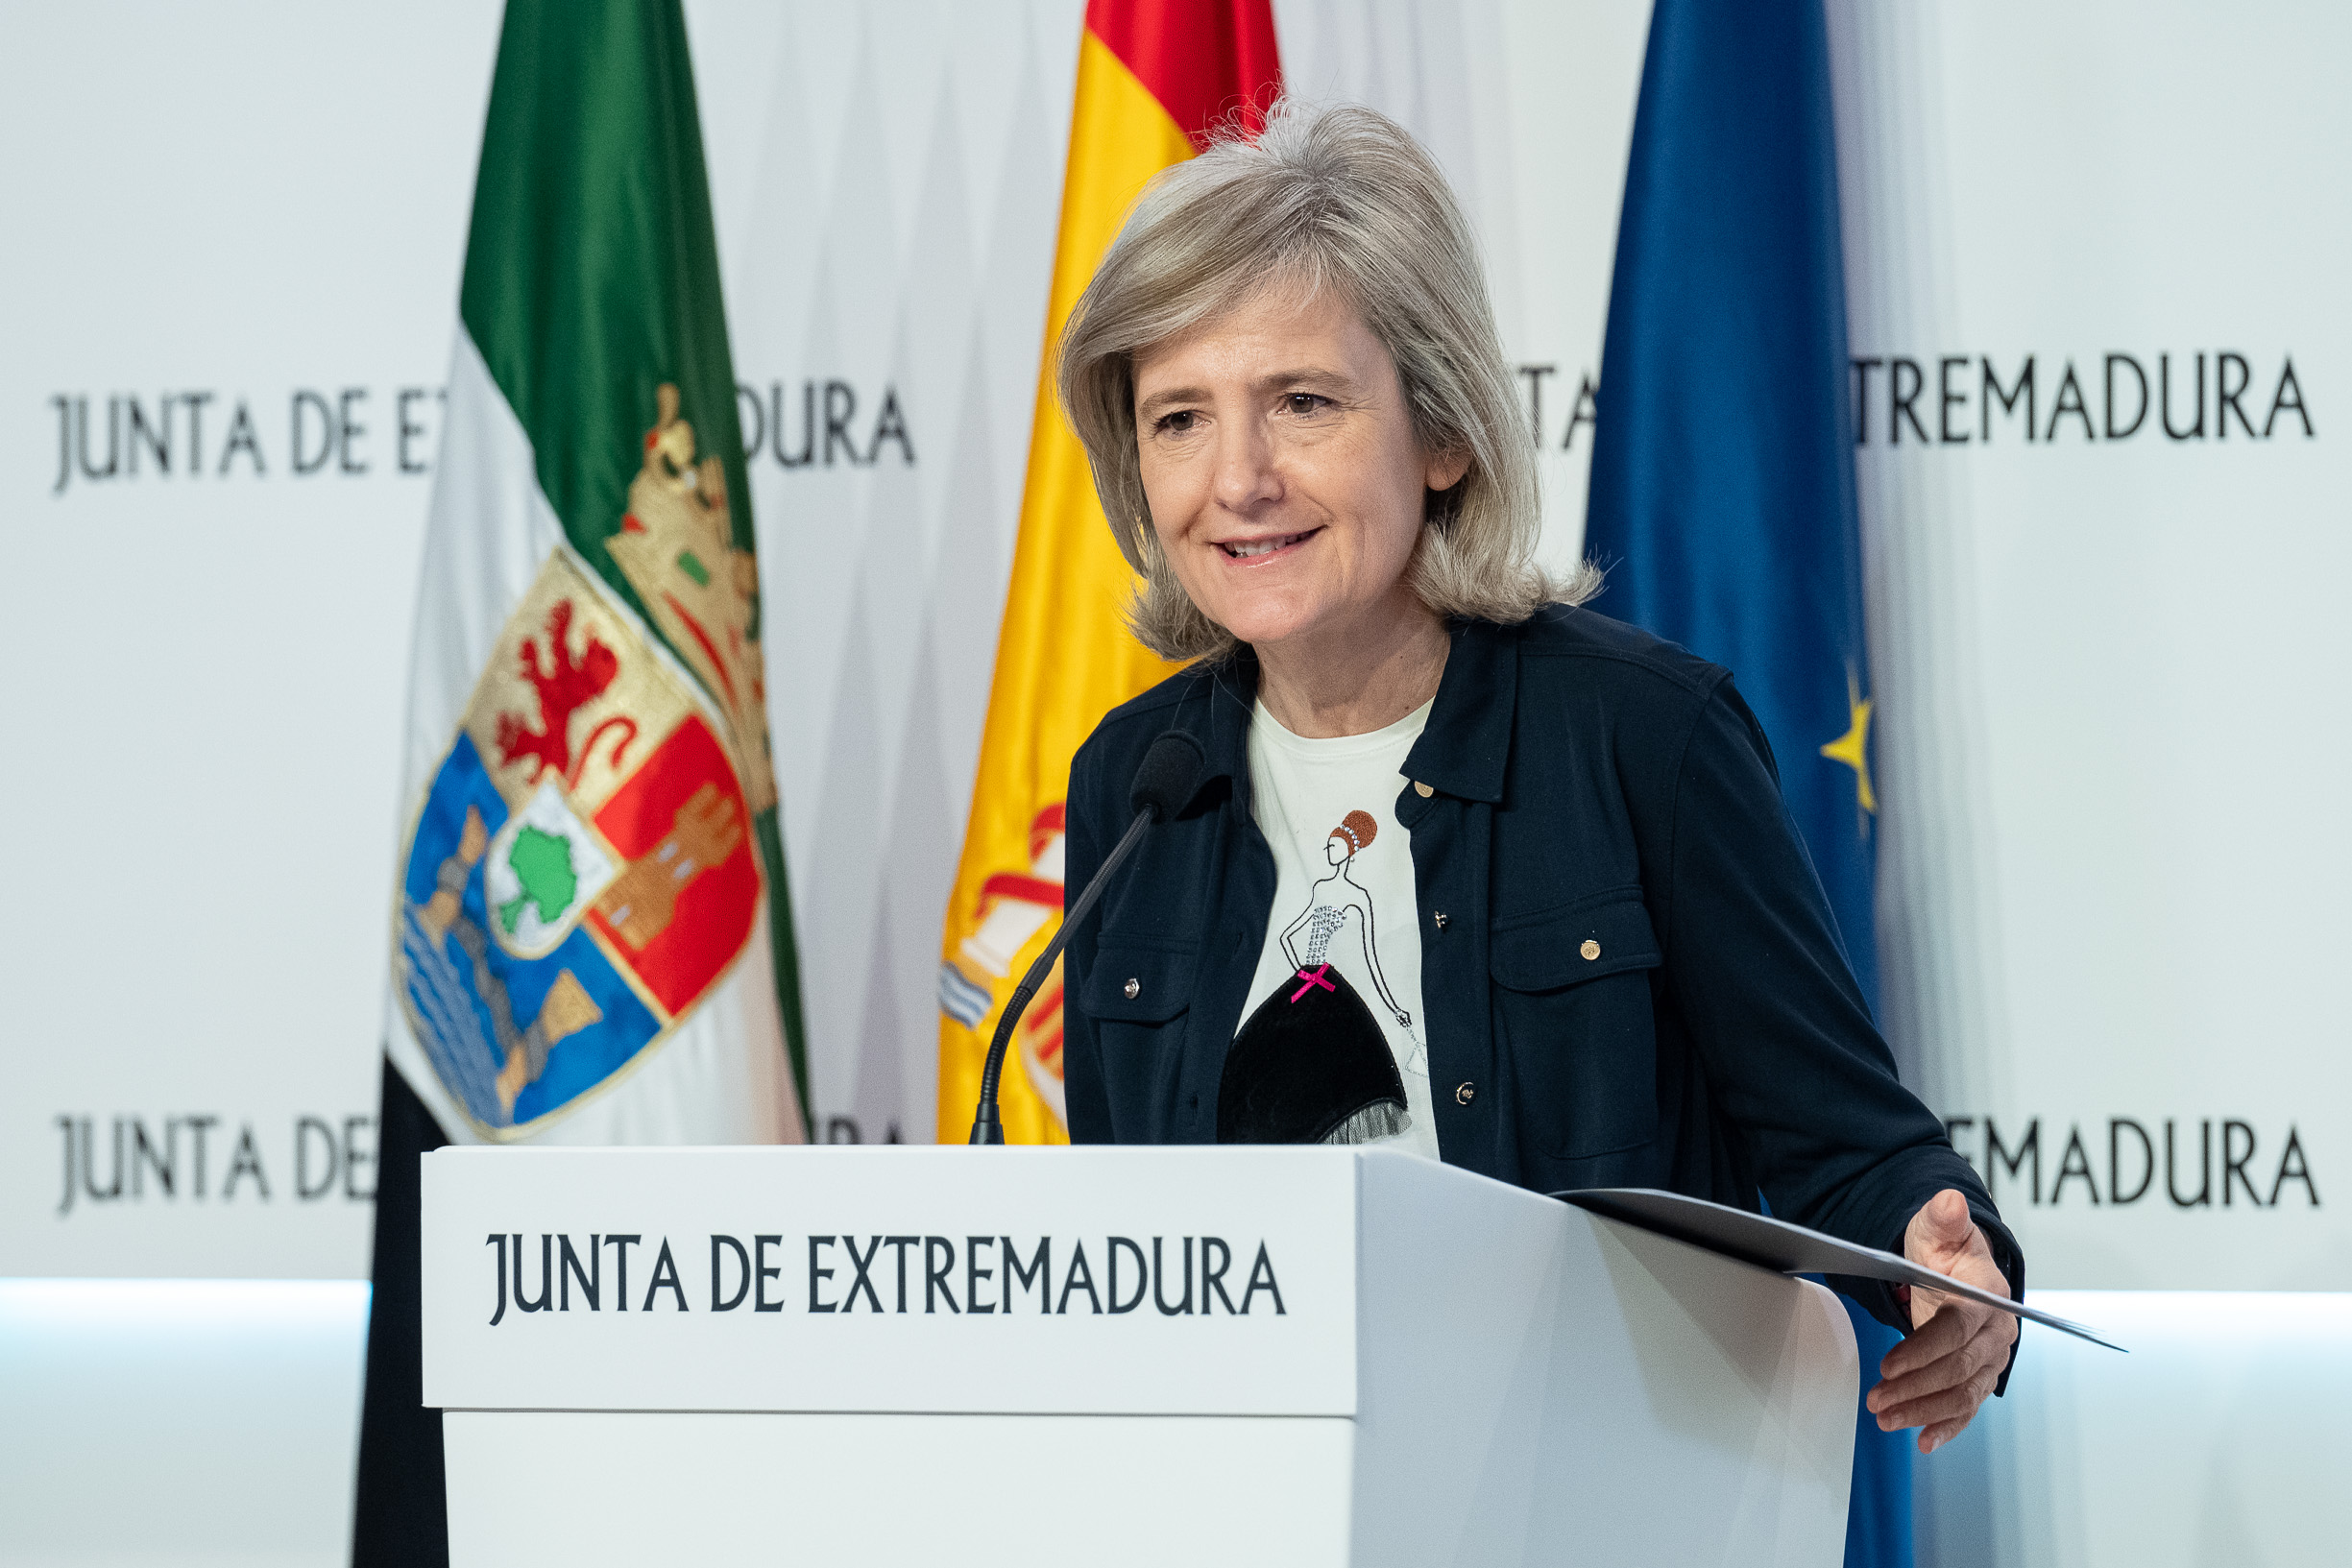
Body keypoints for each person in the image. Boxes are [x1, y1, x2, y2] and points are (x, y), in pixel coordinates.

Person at [1052, 101, 2022, 1454]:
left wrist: (1952, 1268)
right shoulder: (1134, 787)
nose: (1238, 480)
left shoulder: (1640, 736)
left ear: (1440, 434)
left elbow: (1850, 1147)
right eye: (1177, 420)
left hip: (1584, 1492)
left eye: (1303, 403)